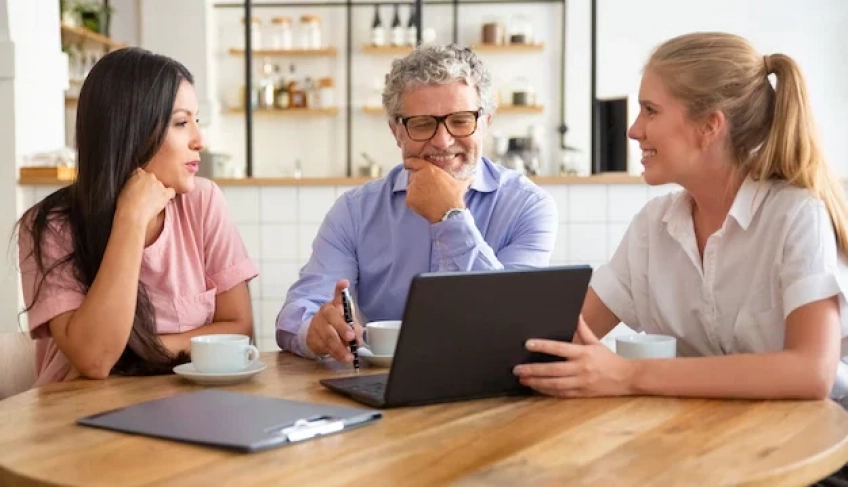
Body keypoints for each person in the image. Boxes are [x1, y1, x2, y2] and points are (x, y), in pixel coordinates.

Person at [513, 32, 848, 485]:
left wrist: (628, 376)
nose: (633, 129)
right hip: (710, 447)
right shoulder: (654, 226)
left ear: (710, 126)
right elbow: (565, 333)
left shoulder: (795, 215)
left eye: (650, 110)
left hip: (817, 455)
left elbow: (811, 372)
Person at [276, 44, 557, 362]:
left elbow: (513, 324)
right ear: (397, 132)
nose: (443, 141)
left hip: (493, 388)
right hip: (384, 384)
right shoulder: (354, 212)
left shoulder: (529, 206)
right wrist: (315, 331)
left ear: (486, 122)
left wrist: (450, 215)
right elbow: (294, 318)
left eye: (461, 121)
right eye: (422, 124)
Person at [17, 47, 258, 386]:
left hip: (186, 405)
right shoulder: (50, 226)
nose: (199, 140)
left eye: (196, 120)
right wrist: (131, 219)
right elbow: (96, 359)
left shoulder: (202, 202)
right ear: (130, 131)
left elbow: (238, 330)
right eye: (180, 123)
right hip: (79, 418)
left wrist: (135, 356)